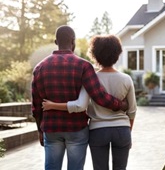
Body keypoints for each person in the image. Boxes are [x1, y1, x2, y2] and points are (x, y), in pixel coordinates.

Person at [31, 26, 127, 170]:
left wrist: (40, 130)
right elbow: (99, 96)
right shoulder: (84, 66)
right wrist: (121, 105)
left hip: (51, 129)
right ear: (73, 41)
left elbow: (36, 106)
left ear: (56, 41)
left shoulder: (40, 67)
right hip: (76, 128)